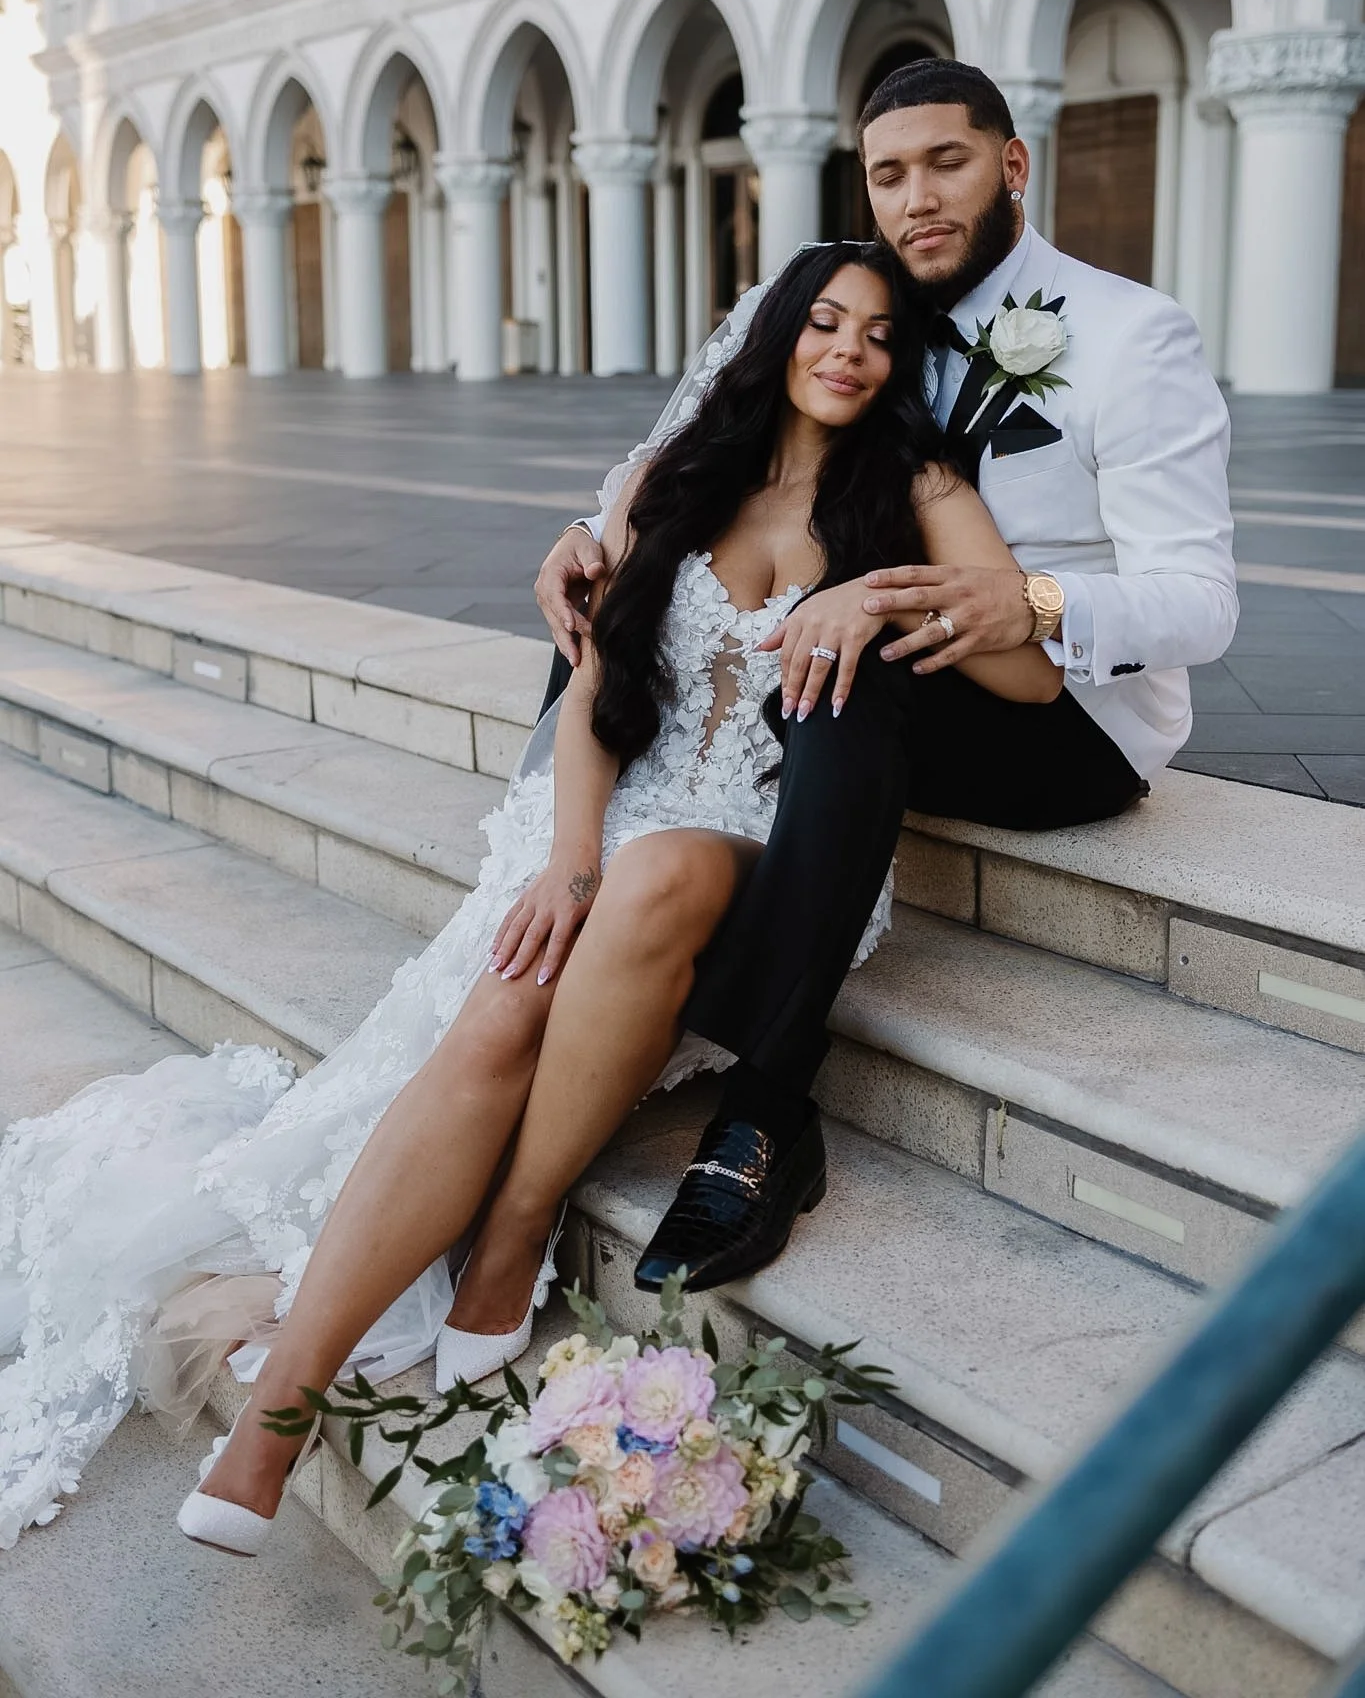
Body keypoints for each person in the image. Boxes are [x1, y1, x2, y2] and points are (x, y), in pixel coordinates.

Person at [0, 240, 1062, 1556]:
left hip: (753, 847)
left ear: (901, 365)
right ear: (780, 335)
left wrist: (891, 595)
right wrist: (568, 861)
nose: (847, 350)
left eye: (879, 335)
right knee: (503, 1011)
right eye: (824, 322)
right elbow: (595, 701)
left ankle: (509, 1235)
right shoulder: (663, 483)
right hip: (595, 822)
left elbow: (1029, 681)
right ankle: (274, 1418)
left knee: (662, 870)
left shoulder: (912, 488)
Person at [534, 58, 1239, 1298]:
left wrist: (1029, 600)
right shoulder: (863, 313)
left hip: (1062, 711)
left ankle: (765, 1108)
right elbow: (698, 447)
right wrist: (587, 536)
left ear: (1013, 165)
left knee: (846, 678)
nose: (918, 197)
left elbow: (1204, 603)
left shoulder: (1133, 335)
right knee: (639, 607)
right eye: (889, 173)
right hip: (859, 640)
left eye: (948, 163)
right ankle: (583, 882)